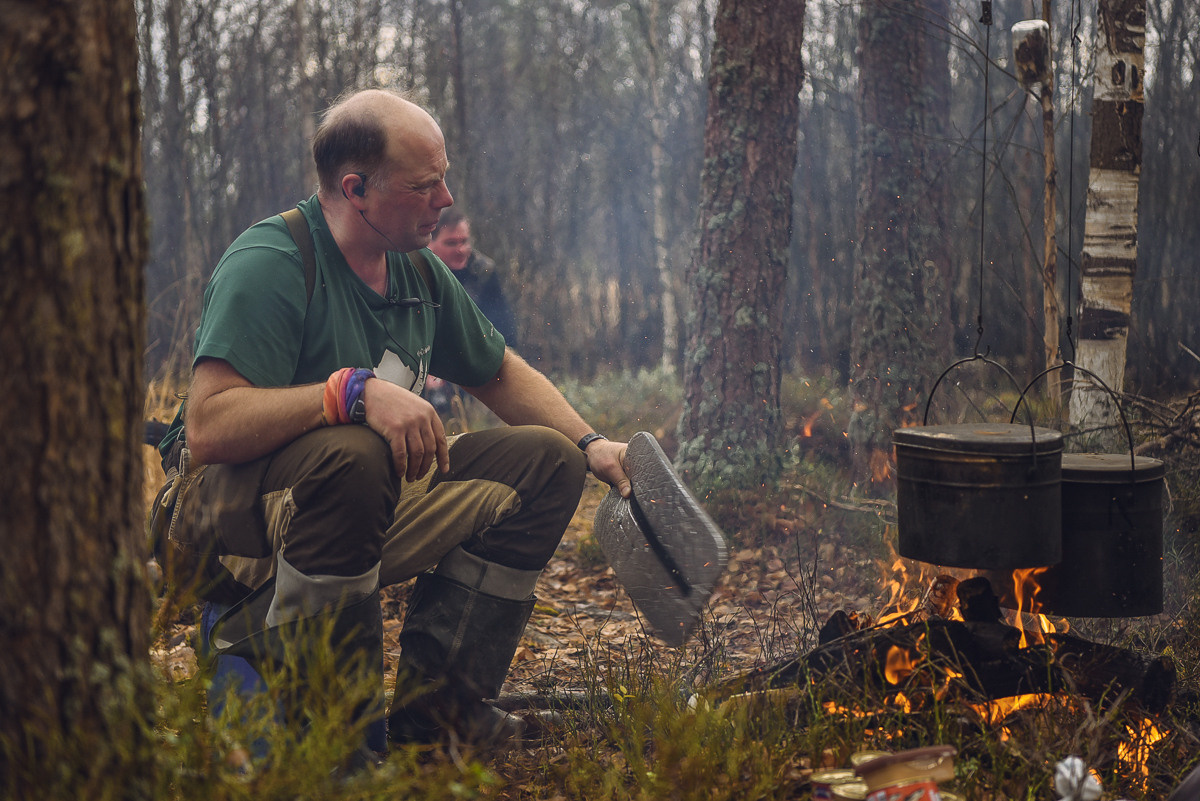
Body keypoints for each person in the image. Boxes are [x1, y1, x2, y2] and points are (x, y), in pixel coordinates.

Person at [153, 88, 630, 758]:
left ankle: (435, 713)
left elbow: (496, 371)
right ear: (356, 189)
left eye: (444, 178)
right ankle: (339, 740)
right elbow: (206, 426)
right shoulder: (272, 264)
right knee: (354, 450)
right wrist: (348, 392)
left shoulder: (417, 271)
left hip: (353, 500)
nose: (445, 198)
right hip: (228, 526)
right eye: (424, 184)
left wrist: (592, 443)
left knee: (549, 462)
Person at [428, 209, 519, 348]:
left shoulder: (484, 271)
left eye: (464, 241)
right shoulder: (418, 268)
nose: (461, 250)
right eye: (451, 243)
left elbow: (504, 329)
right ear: (430, 244)